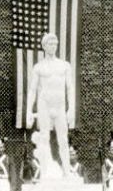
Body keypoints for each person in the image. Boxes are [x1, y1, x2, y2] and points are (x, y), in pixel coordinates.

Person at [26, 33, 76, 179]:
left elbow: (70, 88)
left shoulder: (64, 66)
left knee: (63, 140)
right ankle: (45, 173)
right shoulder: (39, 67)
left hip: (59, 106)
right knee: (44, 139)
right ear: (44, 46)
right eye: (50, 43)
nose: (53, 46)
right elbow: (32, 90)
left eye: (55, 43)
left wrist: (71, 108)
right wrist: (29, 110)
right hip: (44, 106)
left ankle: (67, 172)